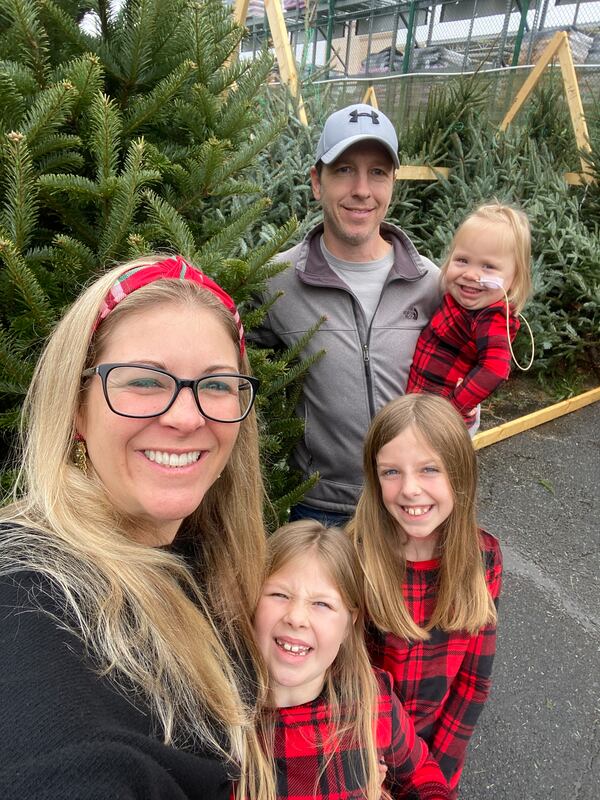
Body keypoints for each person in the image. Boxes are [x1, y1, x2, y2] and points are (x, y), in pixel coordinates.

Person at [0, 255, 275, 800]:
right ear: (77, 408)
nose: (187, 417)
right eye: (146, 381)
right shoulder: (27, 593)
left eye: (217, 385)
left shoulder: (203, 560)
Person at [249, 103, 441, 525]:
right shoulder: (277, 281)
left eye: (377, 172)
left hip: (411, 503)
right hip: (321, 509)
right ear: (317, 182)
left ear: (392, 183)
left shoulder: (430, 283)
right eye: (344, 170)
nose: (361, 189)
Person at [348, 394, 502, 798]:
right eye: (391, 472)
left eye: (429, 469)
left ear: (461, 474)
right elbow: (340, 680)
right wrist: (365, 767)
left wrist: (437, 771)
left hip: (437, 754)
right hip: (364, 757)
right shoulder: (352, 559)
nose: (410, 490)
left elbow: (473, 682)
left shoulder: (484, 558)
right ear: (374, 476)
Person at [253, 520, 452, 800]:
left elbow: (420, 771)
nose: (296, 617)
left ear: (349, 623)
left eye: (322, 604)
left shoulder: (371, 699)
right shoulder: (218, 718)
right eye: (279, 595)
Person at [406, 202, 533, 434]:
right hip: (420, 408)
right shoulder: (459, 298)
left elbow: (495, 368)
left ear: (514, 279)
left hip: (439, 423)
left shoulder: (491, 317)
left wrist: (454, 408)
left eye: (488, 266)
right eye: (462, 260)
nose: (471, 274)